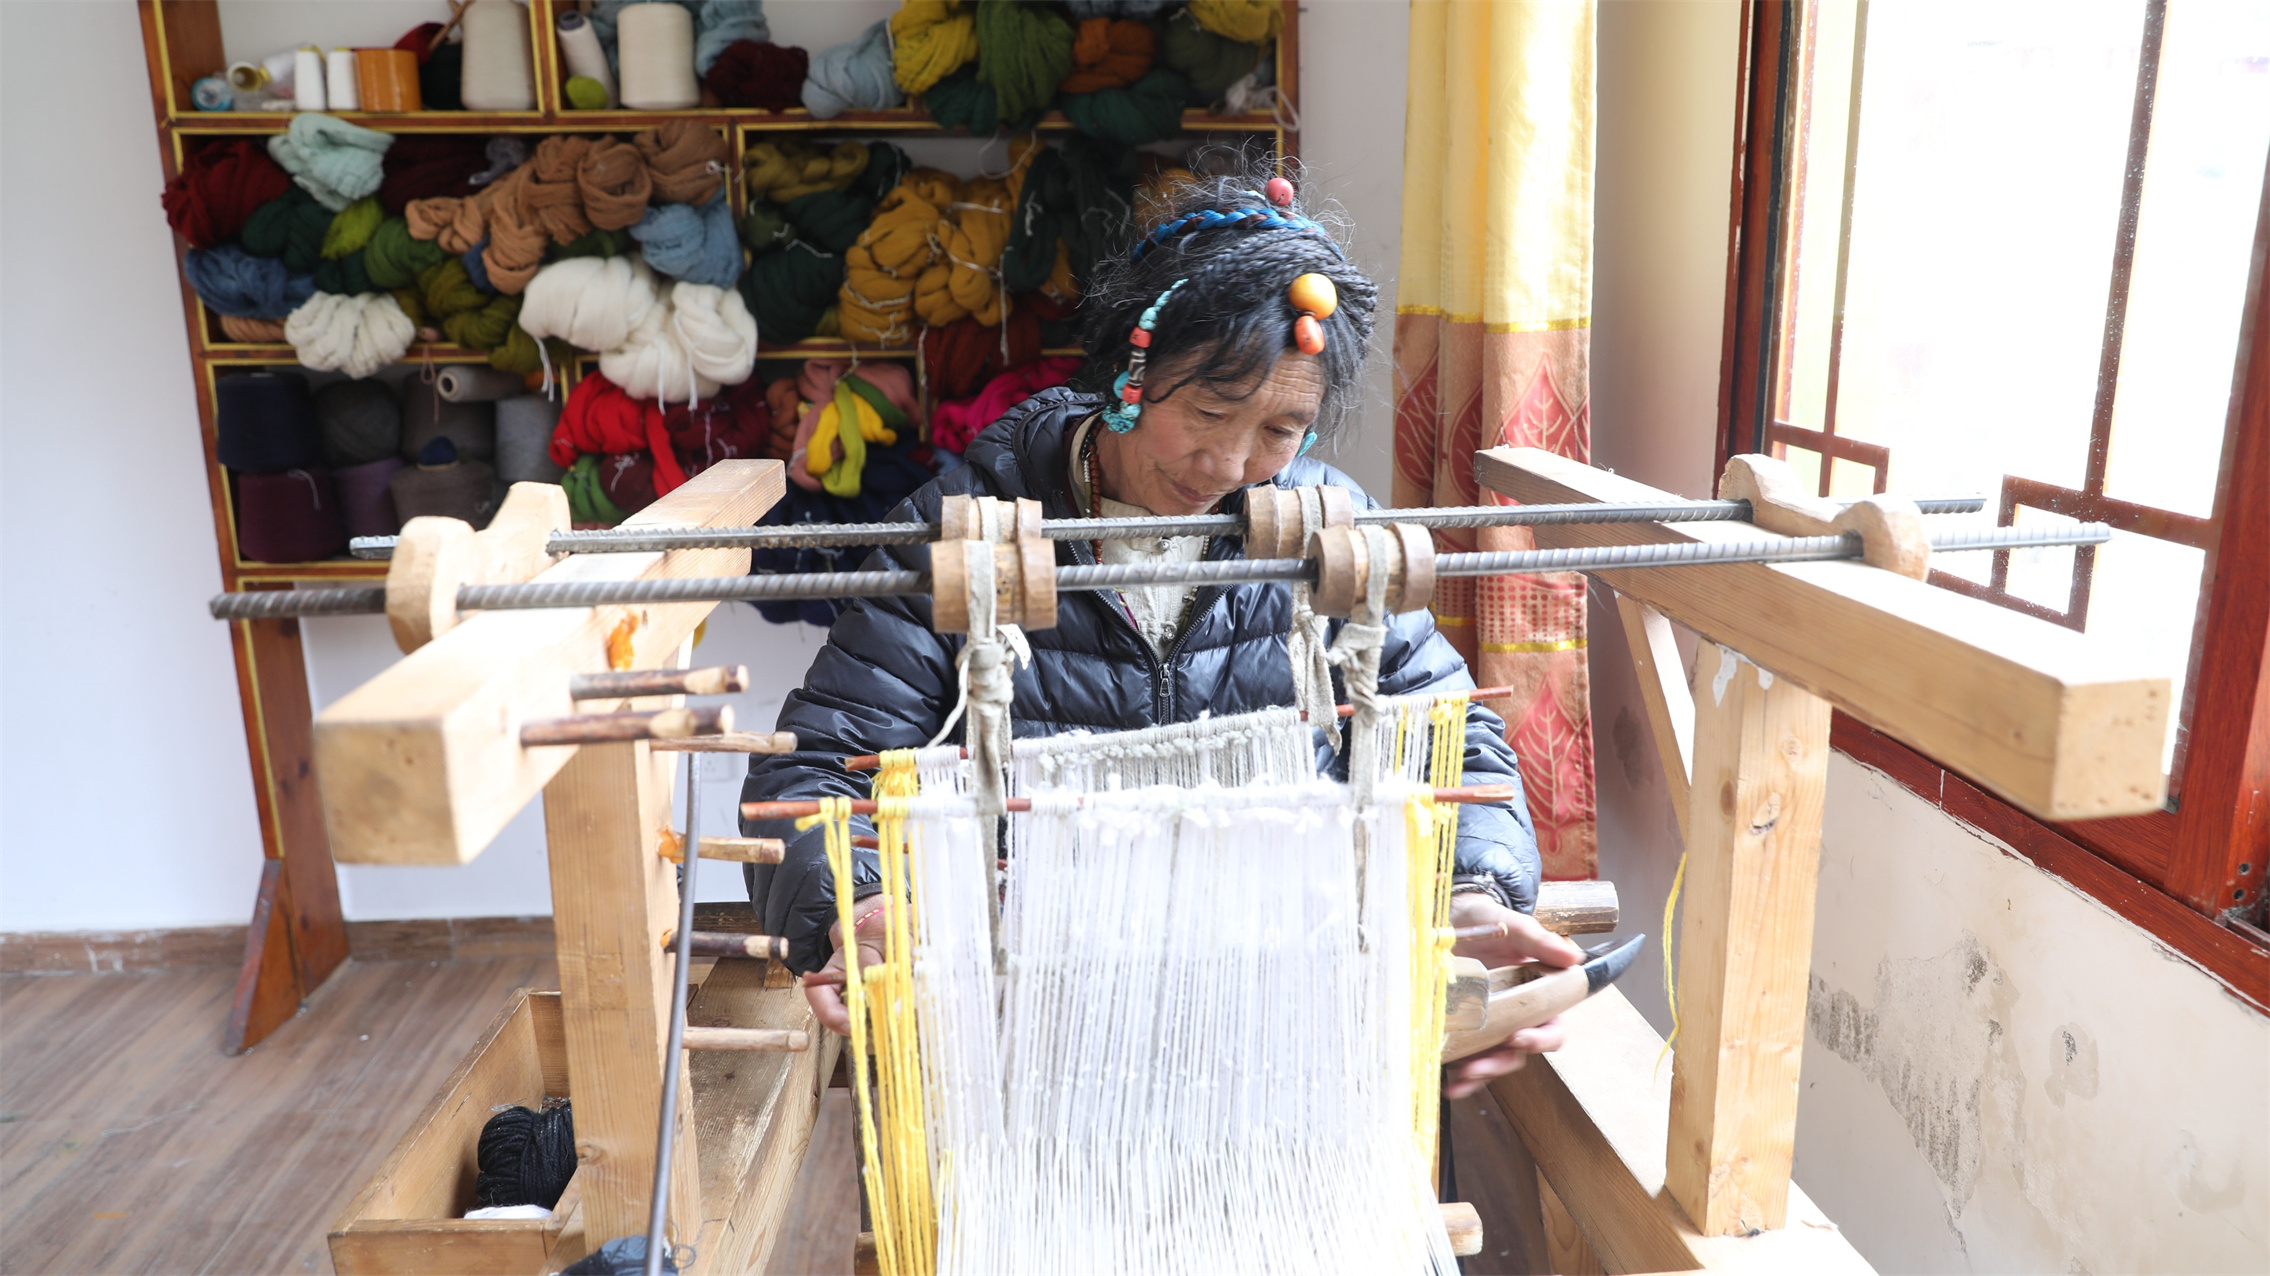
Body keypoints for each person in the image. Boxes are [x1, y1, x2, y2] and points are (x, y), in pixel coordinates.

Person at [742, 165, 1580, 1098]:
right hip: (1026, 1045)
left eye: (1281, 429)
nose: (1228, 462)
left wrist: (1471, 893)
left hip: (1287, 1037)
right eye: (1209, 412)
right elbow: (816, 770)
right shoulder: (968, 533)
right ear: (1129, 375)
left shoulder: (1332, 538)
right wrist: (857, 906)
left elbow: (1455, 743)